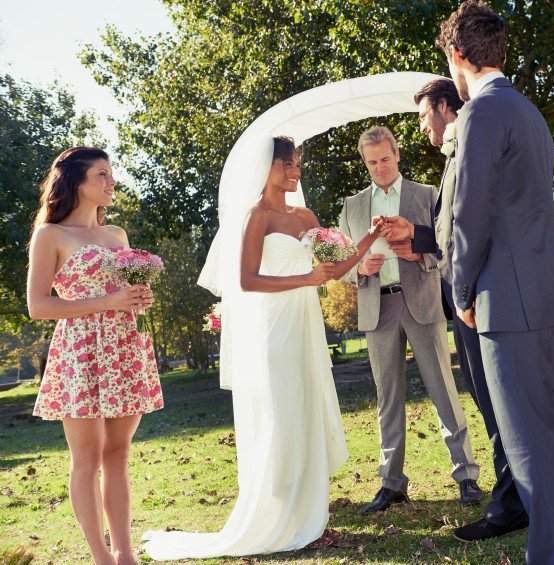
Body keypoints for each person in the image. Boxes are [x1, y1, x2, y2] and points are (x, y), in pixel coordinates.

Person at [144, 136, 380, 558]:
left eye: (297, 164)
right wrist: (303, 279)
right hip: (275, 327)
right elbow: (247, 281)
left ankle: (310, 512)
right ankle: (278, 513)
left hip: (306, 323)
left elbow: (332, 268)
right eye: (287, 164)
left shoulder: (305, 215)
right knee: (283, 409)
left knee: (306, 405)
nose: (295, 172)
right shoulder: (256, 217)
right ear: (265, 167)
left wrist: (367, 241)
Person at [435, 2, 554, 564]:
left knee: (530, 442)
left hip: (505, 301)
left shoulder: (481, 115)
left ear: (458, 55)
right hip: (545, 294)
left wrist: (460, 292)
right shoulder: (528, 111)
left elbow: (469, 214)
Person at [380, 77, 530, 539]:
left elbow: (472, 228)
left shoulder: (471, 145)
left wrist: (461, 294)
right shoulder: (457, 150)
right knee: (489, 401)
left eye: (424, 115)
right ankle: (516, 494)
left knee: (496, 400)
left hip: (478, 298)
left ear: (445, 106)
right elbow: (450, 230)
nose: (422, 126)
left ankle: (510, 506)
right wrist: (417, 236)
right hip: (466, 298)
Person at [27, 146, 162, 565]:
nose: (111, 182)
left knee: (118, 453)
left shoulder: (117, 235)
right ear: (77, 182)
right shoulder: (50, 235)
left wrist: (136, 298)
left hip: (125, 346)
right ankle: (101, 557)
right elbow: (39, 306)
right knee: (86, 457)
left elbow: (122, 293)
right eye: (102, 174)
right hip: (80, 352)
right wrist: (109, 301)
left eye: (111, 174)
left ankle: (125, 554)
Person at [338, 125, 482, 514]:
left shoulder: (427, 195)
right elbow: (340, 264)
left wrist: (418, 255)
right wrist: (359, 268)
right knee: (388, 400)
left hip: (421, 302)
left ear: (397, 154)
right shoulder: (352, 206)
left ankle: (467, 476)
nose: (380, 168)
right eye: (372, 162)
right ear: (364, 162)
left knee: (443, 391)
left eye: (386, 159)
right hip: (376, 309)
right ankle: (392, 484)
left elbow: (444, 247)